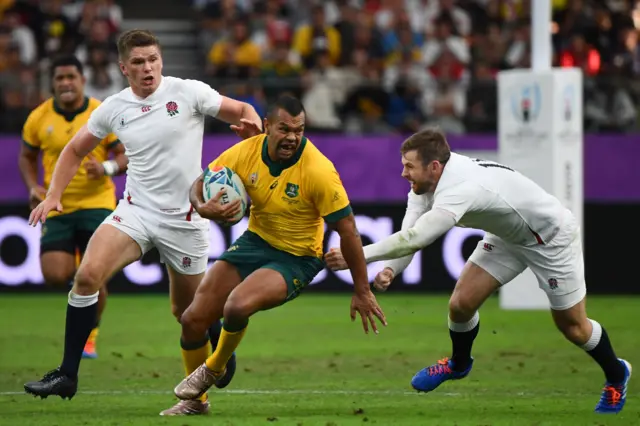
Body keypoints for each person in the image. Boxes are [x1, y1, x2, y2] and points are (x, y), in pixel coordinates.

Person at [24, 29, 264, 417]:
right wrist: (53, 195)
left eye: (152, 59)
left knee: (188, 315)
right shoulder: (113, 108)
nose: (147, 67)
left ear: (161, 60)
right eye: (138, 62)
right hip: (135, 212)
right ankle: (67, 373)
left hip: (186, 219)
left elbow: (242, 110)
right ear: (124, 68)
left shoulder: (188, 92)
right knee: (87, 277)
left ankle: (216, 344)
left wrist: (254, 130)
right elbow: (73, 150)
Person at [325, 128, 631, 414]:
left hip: (550, 238)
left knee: (573, 326)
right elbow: (411, 232)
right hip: (508, 237)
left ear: (434, 166)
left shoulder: (460, 187)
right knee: (461, 304)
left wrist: (356, 257)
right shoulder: (424, 184)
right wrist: (392, 268)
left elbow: (418, 238)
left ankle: (617, 374)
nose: (403, 172)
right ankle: (458, 364)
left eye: (409, 166)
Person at [169, 95, 387, 402]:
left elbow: (348, 231)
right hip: (255, 242)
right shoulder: (246, 151)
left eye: (299, 130)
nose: (292, 137)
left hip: (297, 258)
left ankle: (214, 366)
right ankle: (194, 405)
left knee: (236, 306)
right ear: (267, 126)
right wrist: (202, 207)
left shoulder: (319, 170)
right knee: (192, 320)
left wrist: (362, 289)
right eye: (284, 129)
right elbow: (200, 181)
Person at [18, 55, 127, 359]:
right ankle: (85, 283)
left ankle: (89, 335)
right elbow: (26, 156)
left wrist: (105, 168)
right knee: (54, 274)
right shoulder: (39, 117)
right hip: (58, 206)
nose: (65, 83)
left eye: (71, 77)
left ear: (82, 80)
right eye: (59, 78)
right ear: (52, 83)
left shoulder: (100, 113)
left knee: (94, 275)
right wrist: (32, 187)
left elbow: (125, 156)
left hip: (97, 204)